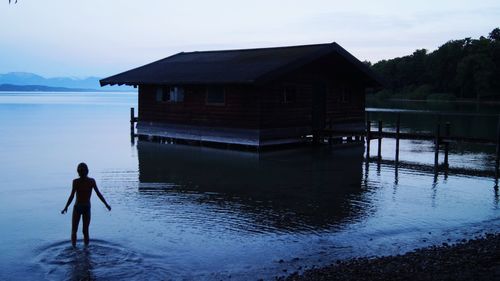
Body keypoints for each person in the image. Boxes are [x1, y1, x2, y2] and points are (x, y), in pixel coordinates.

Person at [61, 163, 111, 246]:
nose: (81, 173)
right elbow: (72, 195)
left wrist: (106, 204)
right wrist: (66, 207)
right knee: (77, 230)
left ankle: (83, 249)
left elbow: (98, 194)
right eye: (80, 171)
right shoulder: (77, 182)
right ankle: (78, 249)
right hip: (81, 207)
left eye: (82, 171)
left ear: (87, 171)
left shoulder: (90, 181)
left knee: (82, 230)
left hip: (83, 207)